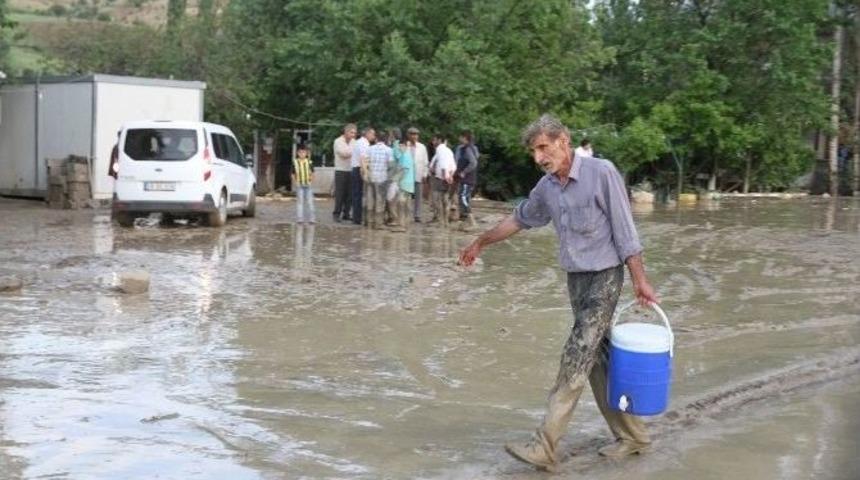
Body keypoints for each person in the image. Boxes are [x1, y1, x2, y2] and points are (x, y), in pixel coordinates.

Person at [458, 114, 658, 472]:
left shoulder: (602, 172)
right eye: (534, 151)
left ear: (563, 141)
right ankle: (634, 437)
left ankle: (545, 445)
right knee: (596, 362)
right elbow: (518, 219)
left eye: (543, 148)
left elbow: (626, 233)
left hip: (605, 278)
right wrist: (480, 242)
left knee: (576, 354)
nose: (539, 157)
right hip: (576, 281)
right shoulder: (547, 187)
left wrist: (640, 280)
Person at [364, 131, 393, 229]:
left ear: (376, 139)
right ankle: (378, 223)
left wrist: (367, 173)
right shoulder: (389, 150)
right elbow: (390, 165)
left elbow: (365, 162)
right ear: (386, 140)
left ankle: (369, 221)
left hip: (371, 177)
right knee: (380, 201)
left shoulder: (369, 149)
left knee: (370, 200)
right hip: (382, 178)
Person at [428, 134, 456, 227]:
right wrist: (450, 176)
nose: (433, 142)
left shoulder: (440, 149)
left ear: (440, 140)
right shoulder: (449, 151)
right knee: (446, 199)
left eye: (434, 140)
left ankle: (441, 221)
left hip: (440, 178)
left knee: (437, 200)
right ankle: (446, 221)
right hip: (448, 178)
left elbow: (443, 164)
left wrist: (444, 175)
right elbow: (453, 166)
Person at [389, 134, 415, 232]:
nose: (399, 148)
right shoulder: (407, 155)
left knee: (401, 204)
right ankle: (404, 224)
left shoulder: (405, 156)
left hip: (404, 184)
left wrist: (395, 180)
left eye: (400, 146)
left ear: (404, 146)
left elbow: (404, 170)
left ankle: (402, 225)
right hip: (408, 184)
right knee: (404, 204)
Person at [454, 130, 479, 227]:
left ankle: (472, 221)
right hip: (466, 179)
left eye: (461, 137)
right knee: (463, 197)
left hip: (467, 179)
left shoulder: (468, 149)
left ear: (465, 138)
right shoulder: (466, 148)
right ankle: (464, 222)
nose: (459, 138)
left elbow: (473, 163)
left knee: (463, 198)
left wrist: (464, 172)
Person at [332, 123, 357, 222]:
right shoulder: (338, 141)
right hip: (340, 170)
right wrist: (353, 152)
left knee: (349, 194)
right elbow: (343, 154)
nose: (353, 135)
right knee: (340, 194)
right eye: (351, 132)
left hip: (351, 170)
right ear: (346, 132)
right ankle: (336, 214)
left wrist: (351, 152)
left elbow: (349, 153)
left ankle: (346, 213)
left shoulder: (354, 142)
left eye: (354, 133)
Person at [351, 127, 375, 225]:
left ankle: (356, 217)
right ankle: (357, 218)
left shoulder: (360, 142)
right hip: (359, 169)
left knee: (357, 194)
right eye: (373, 134)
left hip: (356, 168)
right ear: (368, 134)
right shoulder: (363, 143)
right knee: (358, 194)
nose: (374, 136)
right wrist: (365, 172)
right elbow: (363, 159)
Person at [406, 127, 429, 222]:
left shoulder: (422, 147)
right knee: (406, 196)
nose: (415, 136)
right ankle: (406, 213)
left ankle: (417, 215)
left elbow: (425, 161)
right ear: (408, 135)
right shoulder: (404, 146)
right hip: (406, 175)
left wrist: (425, 174)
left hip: (418, 173)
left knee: (418, 196)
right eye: (412, 134)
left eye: (416, 134)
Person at [291, 145, 315, 224]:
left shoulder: (309, 162)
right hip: (299, 185)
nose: (302, 154)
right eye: (300, 152)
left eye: (304, 152)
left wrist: (311, 180)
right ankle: (300, 219)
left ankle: (312, 219)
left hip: (308, 184)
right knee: (300, 202)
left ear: (306, 153)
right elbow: (293, 174)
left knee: (310, 202)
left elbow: (312, 172)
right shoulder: (295, 162)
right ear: (298, 153)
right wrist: (295, 182)